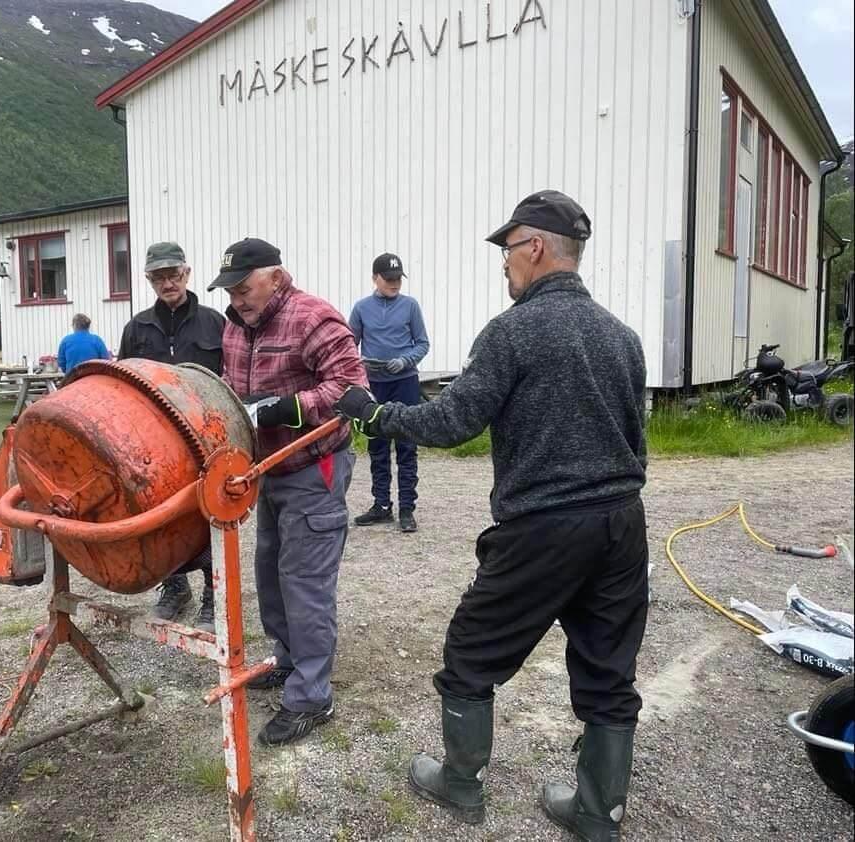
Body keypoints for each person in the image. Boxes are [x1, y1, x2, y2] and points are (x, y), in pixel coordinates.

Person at [335, 191, 648, 839]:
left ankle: (459, 783)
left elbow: (453, 421)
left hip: (543, 525)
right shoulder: (622, 337)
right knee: (608, 671)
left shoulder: (512, 331)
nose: (503, 262)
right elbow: (635, 443)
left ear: (534, 247)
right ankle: (598, 815)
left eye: (507, 249)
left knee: (470, 654)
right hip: (622, 522)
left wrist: (375, 414)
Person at [210, 237, 368, 746]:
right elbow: (229, 383)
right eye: (230, 291)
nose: (236, 299)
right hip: (266, 469)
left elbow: (352, 388)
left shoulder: (313, 319)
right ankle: (288, 658)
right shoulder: (236, 325)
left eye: (244, 288)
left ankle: (312, 697)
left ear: (276, 277)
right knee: (271, 572)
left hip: (312, 466)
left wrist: (288, 407)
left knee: (305, 581)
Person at [118, 241, 226, 631]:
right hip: (154, 444)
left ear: (187, 273)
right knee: (159, 515)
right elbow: (123, 383)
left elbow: (231, 381)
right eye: (159, 277)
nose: (168, 283)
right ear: (149, 280)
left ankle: (214, 595)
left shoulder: (215, 323)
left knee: (210, 513)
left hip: (207, 439)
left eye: (173, 275)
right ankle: (175, 587)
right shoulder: (137, 328)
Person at [348, 252, 430, 533]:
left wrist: (405, 360)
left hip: (405, 382)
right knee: (377, 445)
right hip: (375, 384)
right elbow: (348, 345)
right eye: (389, 279)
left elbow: (422, 343)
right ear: (375, 278)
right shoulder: (361, 308)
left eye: (398, 279)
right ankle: (381, 505)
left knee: (406, 445)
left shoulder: (410, 306)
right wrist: (360, 364)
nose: (395, 283)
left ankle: (407, 508)